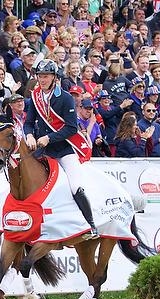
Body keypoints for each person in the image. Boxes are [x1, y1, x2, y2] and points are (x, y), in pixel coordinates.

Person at [23, 59, 98, 239]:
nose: (42, 80)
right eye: (40, 76)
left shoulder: (64, 97)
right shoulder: (35, 96)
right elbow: (28, 123)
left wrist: (49, 137)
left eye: (46, 76)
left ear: (54, 77)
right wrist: (29, 135)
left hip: (64, 150)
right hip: (43, 151)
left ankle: (91, 225)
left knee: (75, 186)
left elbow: (71, 128)